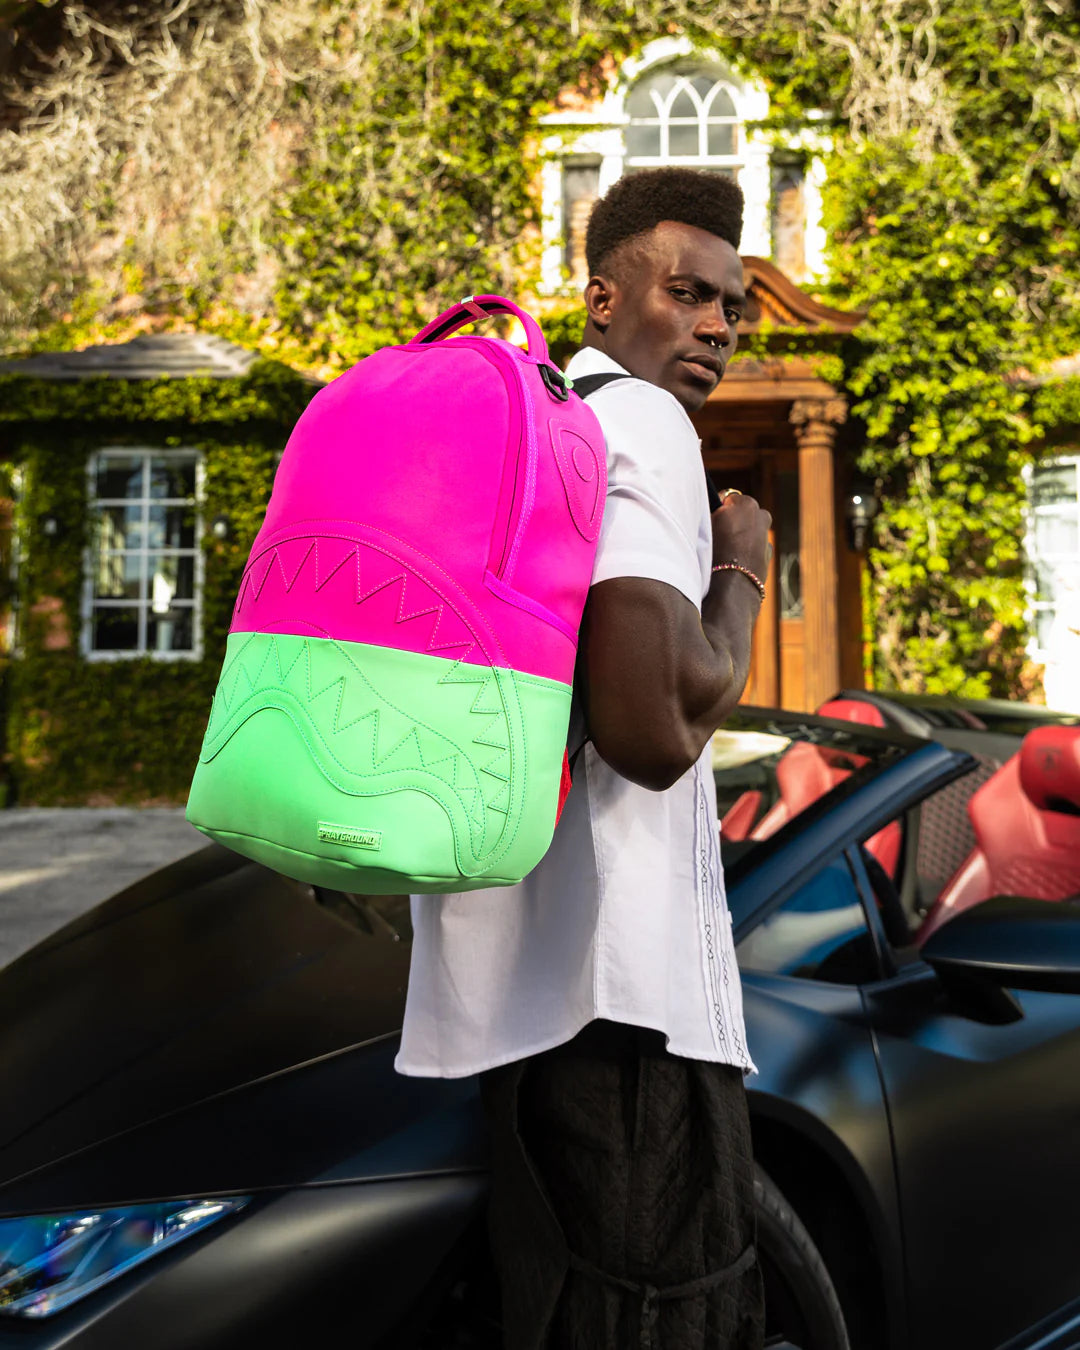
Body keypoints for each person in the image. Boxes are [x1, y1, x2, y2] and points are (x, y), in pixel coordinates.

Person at [396, 167, 772, 1350]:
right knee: (662, 1315)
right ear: (603, 299)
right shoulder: (643, 424)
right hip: (630, 1002)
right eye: (687, 292)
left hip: (517, 986)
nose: (717, 326)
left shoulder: (535, 425)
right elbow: (653, 737)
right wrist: (743, 570)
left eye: (732, 306)